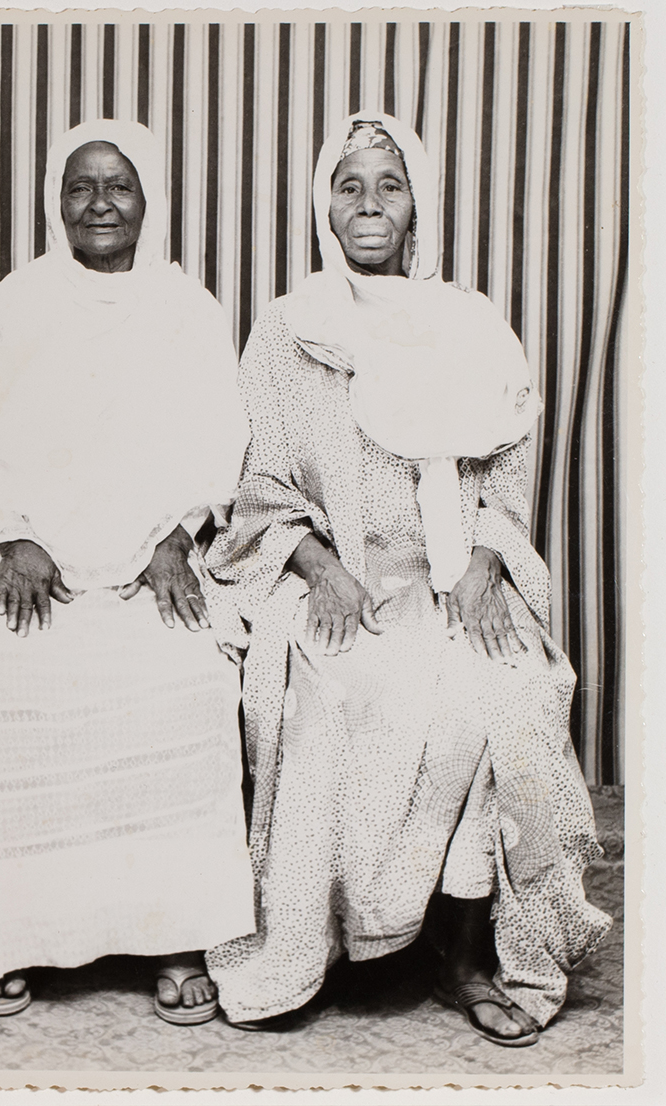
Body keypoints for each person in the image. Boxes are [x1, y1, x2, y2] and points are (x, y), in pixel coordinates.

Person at [204, 114, 612, 1046]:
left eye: (389, 185)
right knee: (347, 692)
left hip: (456, 573)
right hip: (339, 579)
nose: (369, 205)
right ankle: (323, 943)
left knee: (504, 691)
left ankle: (469, 953)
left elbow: (506, 471)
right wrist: (320, 567)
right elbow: (261, 483)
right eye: (349, 186)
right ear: (323, 206)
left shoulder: (467, 323)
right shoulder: (286, 329)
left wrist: (479, 568)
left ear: (417, 202)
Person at [0, 120, 255, 1023]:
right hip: (30, 551)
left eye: (120, 185)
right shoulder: (20, 301)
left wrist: (175, 536)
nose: (100, 203)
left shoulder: (190, 308)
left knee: (182, 674)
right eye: (81, 186)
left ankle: (176, 932)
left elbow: (217, 441)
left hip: (150, 552)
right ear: (54, 201)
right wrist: (14, 534)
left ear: (151, 199)